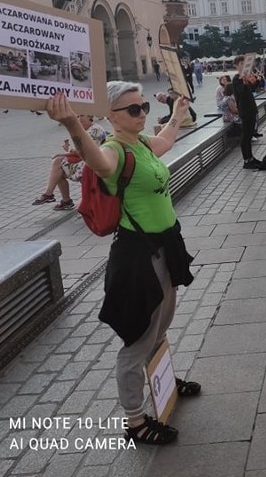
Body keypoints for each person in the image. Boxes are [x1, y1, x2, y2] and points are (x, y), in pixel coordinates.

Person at [45, 83, 199, 446]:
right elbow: (96, 161)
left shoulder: (142, 145)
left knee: (161, 323)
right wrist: (72, 126)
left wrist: (177, 113)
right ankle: (134, 420)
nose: (142, 112)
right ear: (111, 116)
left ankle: (161, 380)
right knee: (138, 338)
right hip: (137, 257)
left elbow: (168, 140)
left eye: (143, 105)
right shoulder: (114, 151)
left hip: (165, 247)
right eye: (132, 109)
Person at [31, 114, 107, 209]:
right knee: (58, 169)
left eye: (81, 116)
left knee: (57, 165)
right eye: (77, 116)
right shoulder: (85, 130)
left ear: (90, 116)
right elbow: (78, 150)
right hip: (85, 161)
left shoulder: (95, 130)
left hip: (92, 163)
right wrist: (68, 151)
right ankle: (59, 198)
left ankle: (55, 197)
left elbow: (85, 151)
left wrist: (65, 153)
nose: (79, 119)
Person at [232, 55, 261, 169]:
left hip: (251, 108)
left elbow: (252, 89)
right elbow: (241, 92)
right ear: (237, 66)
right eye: (241, 64)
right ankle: (246, 160)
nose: (243, 66)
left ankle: (251, 157)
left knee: (249, 135)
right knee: (245, 136)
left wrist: (257, 80)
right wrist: (244, 82)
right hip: (245, 110)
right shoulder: (236, 79)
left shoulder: (245, 77)